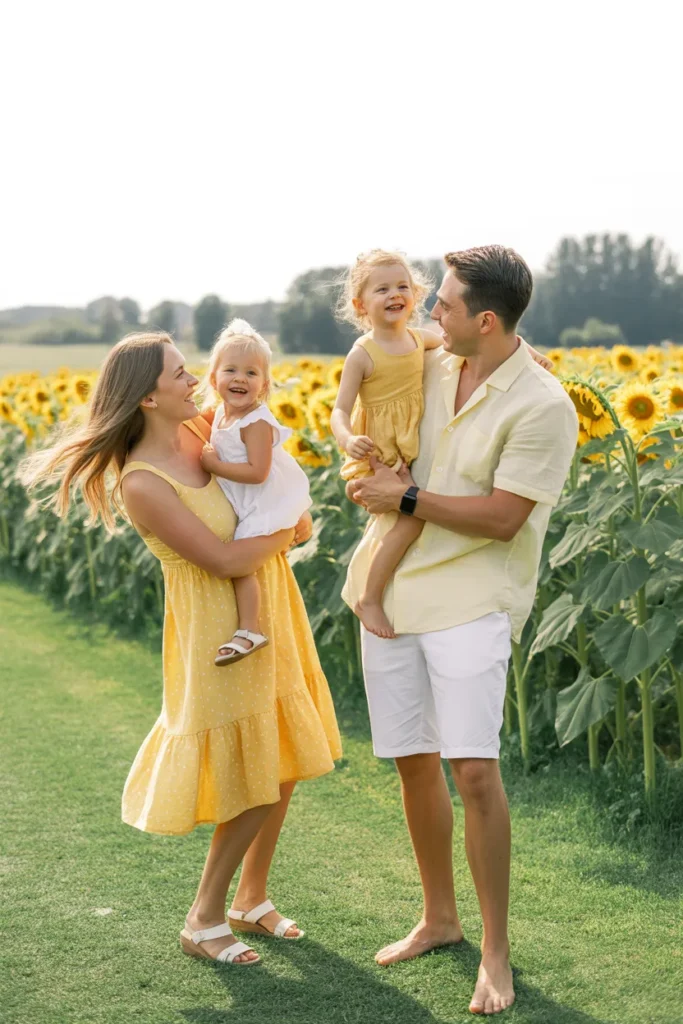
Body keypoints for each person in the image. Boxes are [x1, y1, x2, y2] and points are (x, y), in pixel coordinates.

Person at [23, 332, 342, 966]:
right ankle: (202, 917)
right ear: (146, 397)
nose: (194, 380)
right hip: (218, 629)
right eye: (177, 375)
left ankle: (250, 898)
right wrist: (285, 530)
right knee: (252, 775)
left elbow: (259, 481)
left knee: (280, 759)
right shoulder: (142, 483)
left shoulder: (202, 429)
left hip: (268, 605)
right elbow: (223, 558)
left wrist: (288, 510)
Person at [342, 246, 578, 1015]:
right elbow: (375, 377)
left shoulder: (542, 405)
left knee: (473, 772)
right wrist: (367, 469)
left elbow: (505, 520)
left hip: (474, 599)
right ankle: (438, 919)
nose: (425, 309)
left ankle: (496, 953)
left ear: (484, 318)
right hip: (391, 590)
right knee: (413, 762)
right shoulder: (434, 361)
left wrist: (402, 497)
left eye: (440, 303)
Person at [331, 249, 553, 641]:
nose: (394, 294)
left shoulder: (422, 342)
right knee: (409, 517)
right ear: (360, 305)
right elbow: (339, 411)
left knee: (405, 512)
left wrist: (528, 354)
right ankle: (369, 595)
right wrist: (350, 441)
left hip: (405, 448)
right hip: (379, 448)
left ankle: (377, 589)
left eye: (402, 286)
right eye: (381, 289)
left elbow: (501, 337)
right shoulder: (362, 354)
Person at [196, 319, 312, 666]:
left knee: (241, 565)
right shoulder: (220, 415)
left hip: (263, 501)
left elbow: (258, 473)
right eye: (230, 370)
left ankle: (250, 629)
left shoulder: (255, 422)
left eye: (251, 373)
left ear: (264, 385)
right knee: (251, 565)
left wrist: (214, 466)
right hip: (247, 501)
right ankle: (254, 626)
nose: (240, 379)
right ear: (214, 378)